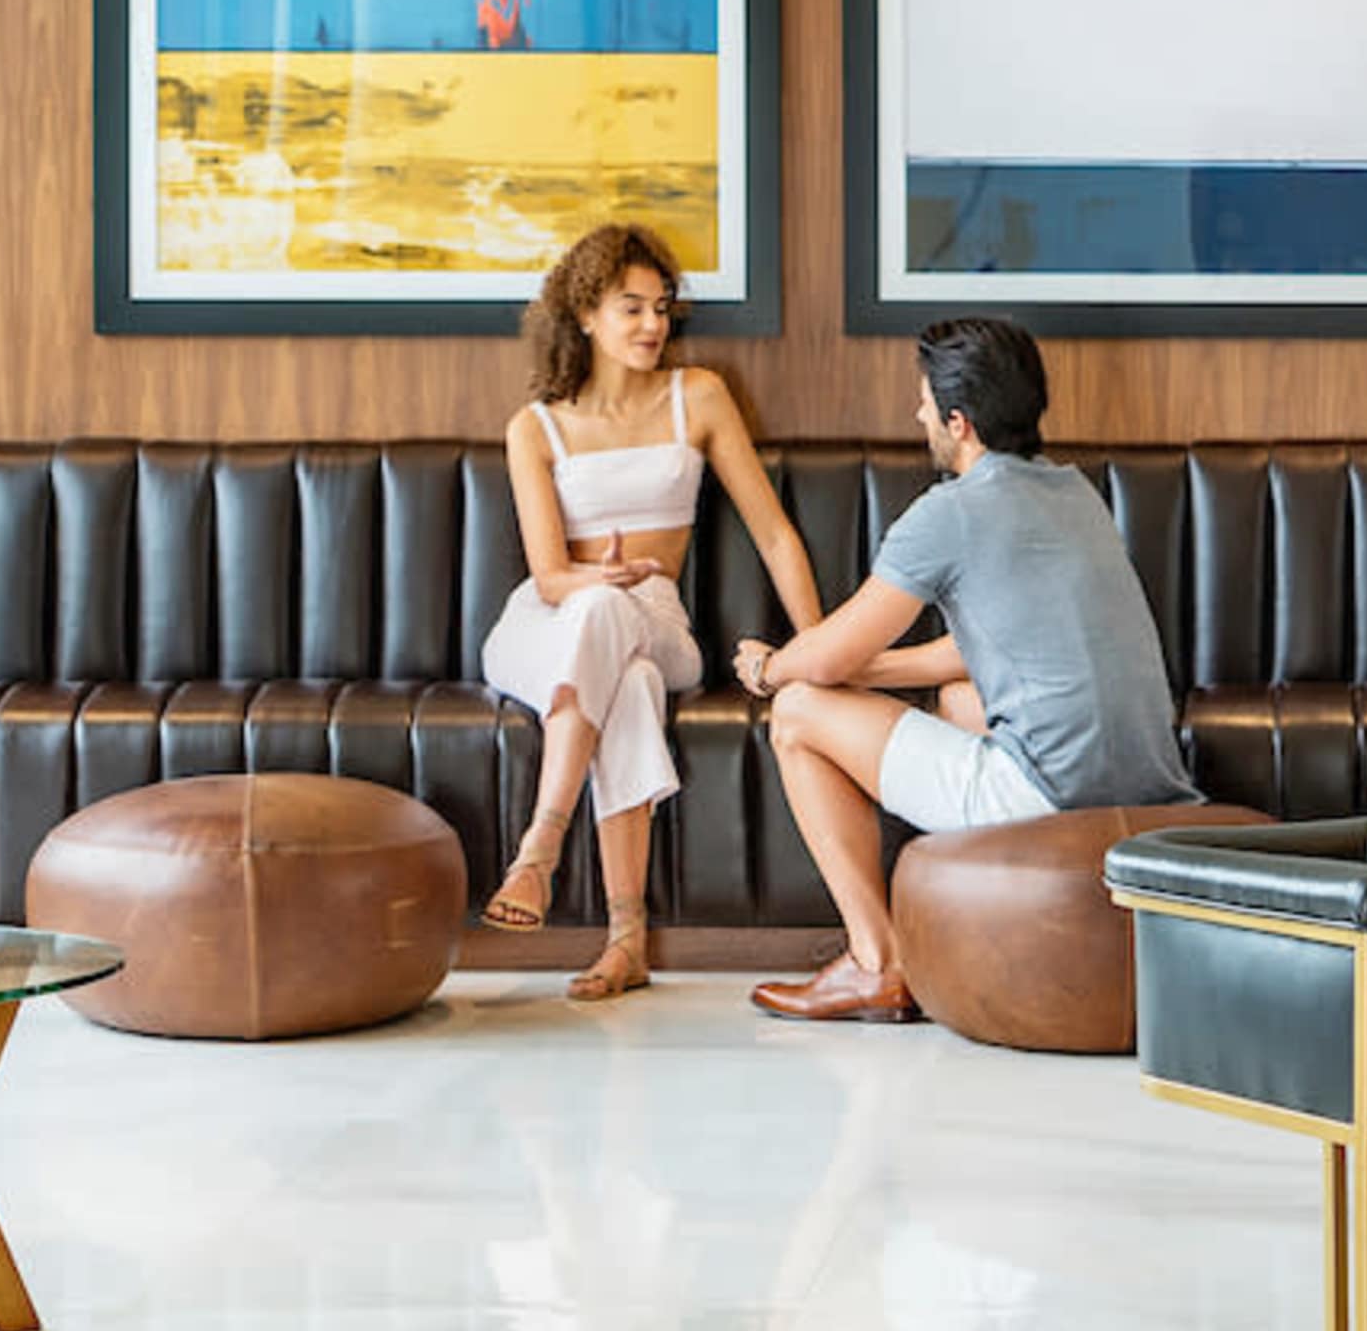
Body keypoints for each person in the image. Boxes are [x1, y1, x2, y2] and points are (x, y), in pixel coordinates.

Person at [730, 316, 1199, 1024]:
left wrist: (771, 670)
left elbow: (826, 654)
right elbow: (975, 650)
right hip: (1147, 784)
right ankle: (960, 934)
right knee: (957, 697)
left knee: (798, 712)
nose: (918, 414)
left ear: (960, 422)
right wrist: (858, 674)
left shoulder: (949, 514)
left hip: (1046, 793)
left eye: (925, 402)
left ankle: (874, 963)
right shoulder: (1075, 494)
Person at [480, 222, 825, 1000]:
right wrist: (597, 580)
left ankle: (540, 848)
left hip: (657, 616)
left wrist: (816, 652)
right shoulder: (532, 429)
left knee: (621, 628)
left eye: (662, 308)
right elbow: (547, 573)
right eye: (630, 308)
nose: (652, 325)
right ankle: (627, 939)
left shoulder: (696, 396)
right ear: (585, 316)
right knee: (624, 676)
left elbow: (773, 534)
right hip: (548, 619)